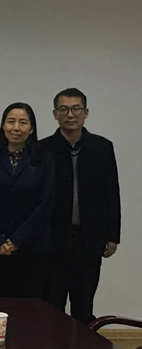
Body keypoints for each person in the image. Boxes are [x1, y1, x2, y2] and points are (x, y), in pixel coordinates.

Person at [41, 88, 121, 324]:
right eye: (64, 109)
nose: (70, 114)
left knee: (84, 306)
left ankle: (82, 342)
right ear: (55, 114)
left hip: (90, 239)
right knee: (51, 305)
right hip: (53, 239)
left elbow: (111, 193)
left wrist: (112, 235)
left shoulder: (102, 147)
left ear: (86, 113)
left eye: (76, 109)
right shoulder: (43, 149)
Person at [0, 102, 54, 298]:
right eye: (11, 121)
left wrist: (16, 241)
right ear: (3, 126)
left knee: (29, 309)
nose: (16, 128)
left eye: (23, 122)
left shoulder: (44, 159)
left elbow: (45, 204)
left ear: (31, 128)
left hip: (33, 249)